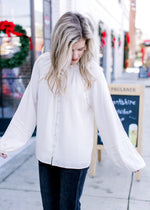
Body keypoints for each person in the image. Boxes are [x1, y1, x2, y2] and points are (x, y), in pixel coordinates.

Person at [0, 12, 146, 210]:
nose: (77, 56)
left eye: (81, 49)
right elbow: (28, 107)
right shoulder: (43, 65)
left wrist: (129, 158)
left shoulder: (92, 73)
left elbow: (108, 118)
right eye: (72, 50)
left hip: (74, 157)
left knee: (68, 207)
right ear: (60, 45)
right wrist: (7, 143)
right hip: (45, 154)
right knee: (49, 207)